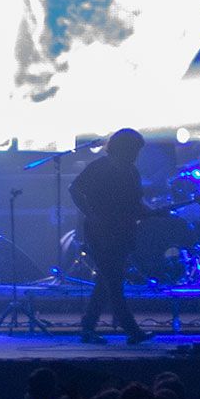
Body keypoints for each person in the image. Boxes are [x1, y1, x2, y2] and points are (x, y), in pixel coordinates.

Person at [70, 128, 154, 345]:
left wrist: (153, 211)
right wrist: (92, 214)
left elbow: (136, 203)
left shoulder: (132, 172)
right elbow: (75, 189)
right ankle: (132, 330)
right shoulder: (100, 167)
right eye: (134, 149)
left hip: (121, 233)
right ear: (123, 148)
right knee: (114, 282)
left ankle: (88, 328)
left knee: (105, 282)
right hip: (100, 232)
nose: (136, 154)